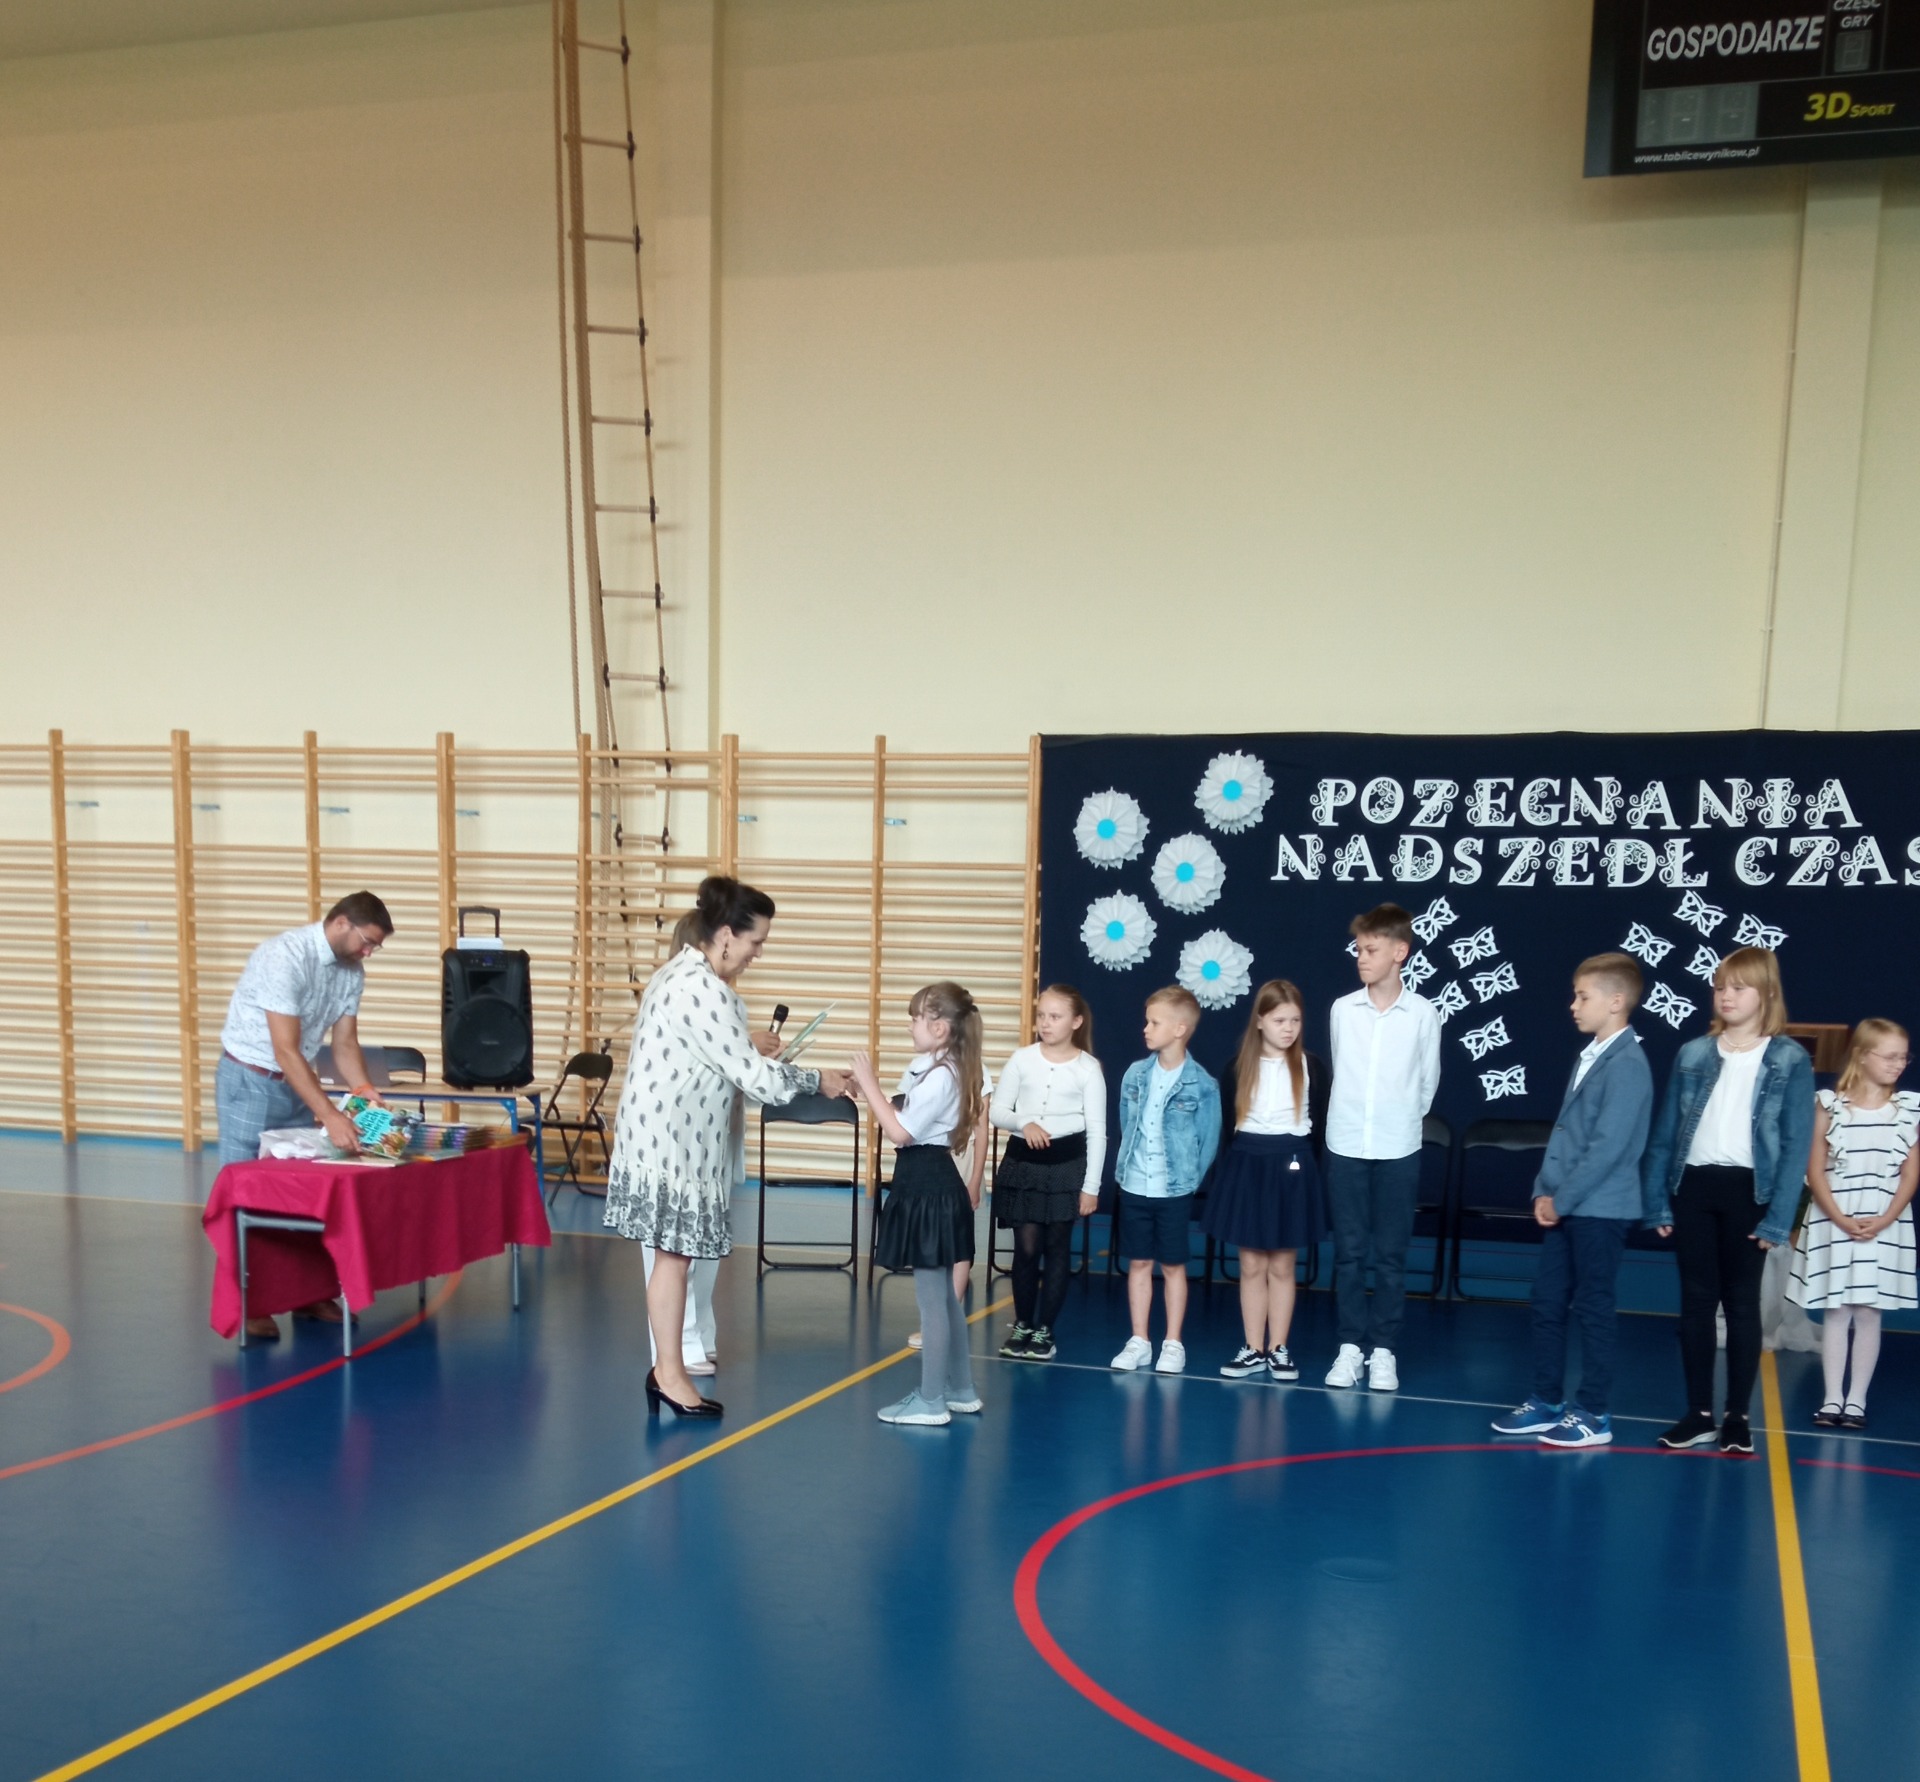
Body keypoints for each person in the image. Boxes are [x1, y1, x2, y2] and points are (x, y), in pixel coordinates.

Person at [605, 876, 847, 1419]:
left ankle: (668, 1370)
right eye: (756, 941)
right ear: (726, 934)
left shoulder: (684, 975)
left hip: (669, 1138)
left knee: (672, 1258)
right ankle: (669, 1374)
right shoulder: (702, 989)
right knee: (672, 1258)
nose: (758, 953)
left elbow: (729, 1065)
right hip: (670, 1143)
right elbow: (753, 1076)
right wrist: (819, 1080)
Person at [1642, 947, 1815, 1454]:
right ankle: (1698, 1414)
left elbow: (1795, 1145)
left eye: (1739, 987)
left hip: (1749, 1192)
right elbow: (1665, 1134)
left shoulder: (1789, 1058)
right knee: (1696, 1303)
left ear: (1767, 994)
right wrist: (1658, 1201)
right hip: (1694, 1188)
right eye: (1720, 986)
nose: (1726, 995)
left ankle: (1737, 1416)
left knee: (1741, 1303)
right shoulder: (1693, 1053)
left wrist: (1779, 1217)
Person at [214, 890, 394, 1341]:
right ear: (341, 923)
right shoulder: (284, 957)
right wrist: (330, 1115)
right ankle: (247, 1303)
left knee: (301, 1192)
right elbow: (285, 1049)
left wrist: (364, 1091)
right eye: (368, 941)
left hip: (296, 1081)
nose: (369, 952)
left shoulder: (352, 972)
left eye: (376, 946)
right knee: (246, 1193)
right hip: (251, 1079)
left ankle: (308, 1293)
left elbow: (345, 1044)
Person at [1491, 953, 1654, 1448]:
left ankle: (1594, 1413)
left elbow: (1608, 1147)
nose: (1573, 1005)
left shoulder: (1628, 1064)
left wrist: (1561, 1200)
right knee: (1547, 1301)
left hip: (1600, 1210)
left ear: (1616, 1001)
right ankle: (1547, 1401)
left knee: (1594, 1307)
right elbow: (1566, 1135)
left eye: (1583, 997)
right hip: (1568, 1203)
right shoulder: (1593, 1055)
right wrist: (1544, 1189)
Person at [851, 982, 990, 1426]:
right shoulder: (938, 1068)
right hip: (930, 1183)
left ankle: (931, 1400)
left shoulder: (944, 1075)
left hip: (929, 1187)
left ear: (940, 1028)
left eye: (916, 1018)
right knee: (945, 1299)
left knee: (932, 1302)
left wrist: (870, 1084)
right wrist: (867, 1093)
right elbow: (903, 1113)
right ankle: (961, 1390)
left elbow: (901, 1132)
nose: (911, 1025)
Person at [1323, 903, 1441, 1393]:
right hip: (1346, 1143)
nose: (1361, 958)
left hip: (1398, 1147)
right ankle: (1350, 1347)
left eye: (1371, 950)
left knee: (1391, 1255)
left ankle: (1384, 1350)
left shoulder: (1423, 1014)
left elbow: (1426, 1083)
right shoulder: (1342, 1010)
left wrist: (1397, 1120)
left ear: (1400, 952)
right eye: (1359, 950)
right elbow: (1341, 1068)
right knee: (1349, 1253)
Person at [1789, 1019, 1919, 1430]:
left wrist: (1885, 1218)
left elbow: (1910, 1174)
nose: (1899, 1064)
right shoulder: (1829, 1106)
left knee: (1868, 1311)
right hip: (1835, 1217)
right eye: (1890, 1056)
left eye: (1904, 1057)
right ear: (1862, 1056)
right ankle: (1832, 1398)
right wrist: (1841, 1217)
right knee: (1837, 1309)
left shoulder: (1908, 1109)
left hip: (1884, 1220)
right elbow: (1814, 1170)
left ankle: (1856, 1400)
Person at [1203, 979, 1329, 1383]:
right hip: (1247, 1162)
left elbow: (1319, 1128)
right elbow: (1228, 1127)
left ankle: (1279, 1348)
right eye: (1279, 1020)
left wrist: (1304, 1168)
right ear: (1260, 1021)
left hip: (1292, 1163)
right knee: (1252, 1262)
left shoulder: (1311, 1067)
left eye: (1295, 1020)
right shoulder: (1236, 1068)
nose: (1288, 1029)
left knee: (1282, 1264)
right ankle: (1253, 1347)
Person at [990, 984, 1107, 1362]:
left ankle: (1045, 1330)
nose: (1046, 1022)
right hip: (1024, 1165)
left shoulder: (1088, 1069)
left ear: (1076, 1021)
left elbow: (1098, 1131)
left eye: (1055, 1016)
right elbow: (997, 1111)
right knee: (1026, 1249)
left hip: (1065, 1167)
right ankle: (1022, 1323)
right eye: (1041, 1015)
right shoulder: (1021, 1059)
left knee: (1057, 1248)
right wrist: (1023, 1123)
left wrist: (1091, 1187)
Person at [1109, 987, 1221, 1376]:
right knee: (1139, 1262)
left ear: (1179, 1029)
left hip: (1174, 1191)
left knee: (1173, 1265)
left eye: (1154, 1022)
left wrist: (1186, 1180)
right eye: (1147, 1021)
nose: (1146, 1028)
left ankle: (1173, 1343)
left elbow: (1208, 1141)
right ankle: (1139, 1340)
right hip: (1135, 1185)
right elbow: (1126, 1123)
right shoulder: (1135, 1075)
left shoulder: (1202, 1084)